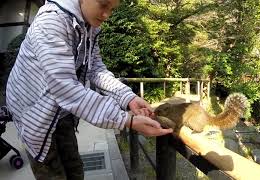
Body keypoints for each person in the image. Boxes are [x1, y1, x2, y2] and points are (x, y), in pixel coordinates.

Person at [5, 0, 173, 179]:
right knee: (52, 172)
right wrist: (126, 120)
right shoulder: (50, 23)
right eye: (103, 4)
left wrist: (128, 97)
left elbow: (96, 69)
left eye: (112, 9)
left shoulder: (88, 26)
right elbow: (66, 88)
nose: (107, 15)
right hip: (33, 111)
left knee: (75, 168)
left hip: (61, 110)